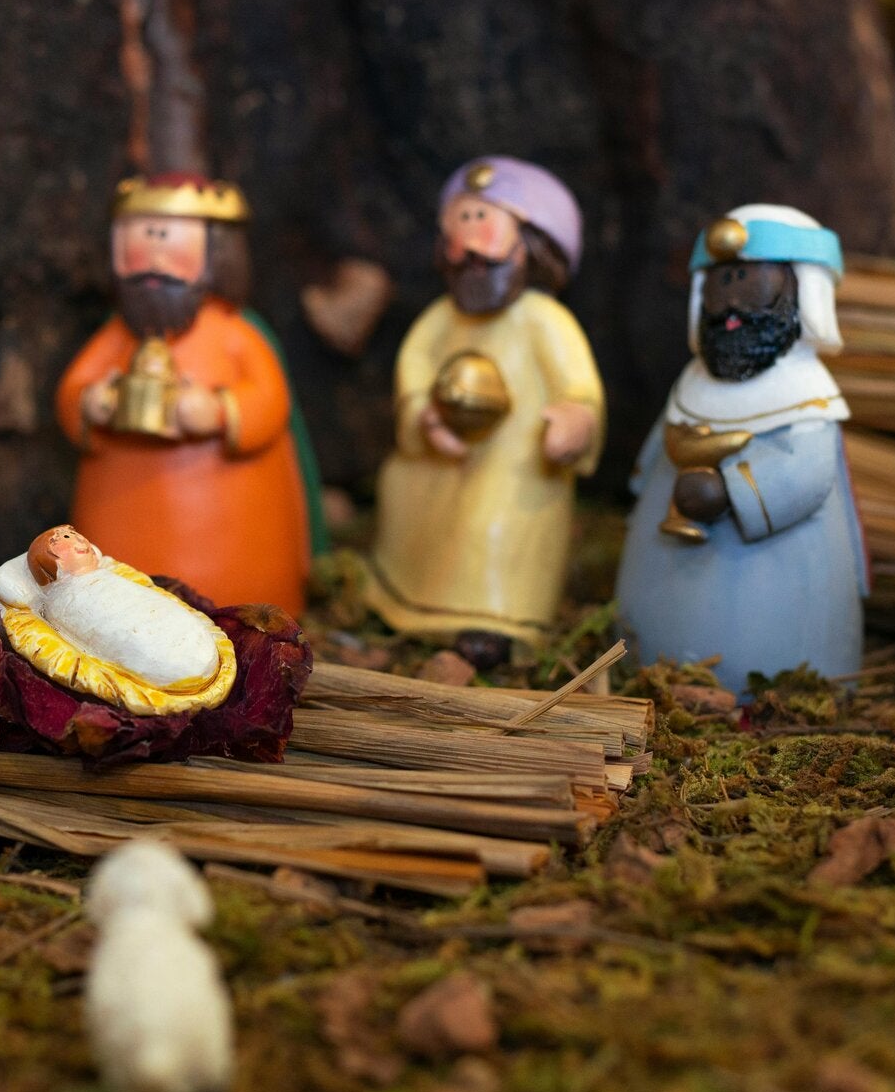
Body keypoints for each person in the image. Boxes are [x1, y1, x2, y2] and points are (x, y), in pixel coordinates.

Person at [613, 203, 867, 691]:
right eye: (721, 281)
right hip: (665, 559)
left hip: (773, 579)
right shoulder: (692, 384)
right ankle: (644, 662)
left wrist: (731, 492)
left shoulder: (804, 396)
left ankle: (769, 691)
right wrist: (647, 483)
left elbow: (806, 473)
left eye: (751, 281)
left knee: (764, 648)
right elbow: (661, 446)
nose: (731, 302)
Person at [365, 157, 605, 646]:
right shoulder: (441, 318)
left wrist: (576, 419)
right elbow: (415, 366)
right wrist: (425, 418)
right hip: (442, 454)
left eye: (484, 220)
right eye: (463, 221)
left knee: (493, 525)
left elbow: (578, 385)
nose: (472, 247)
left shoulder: (543, 320)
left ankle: (494, 622)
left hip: (514, 462)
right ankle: (401, 600)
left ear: (531, 246)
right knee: (406, 495)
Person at [55, 173, 320, 615]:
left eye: (167, 237)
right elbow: (71, 392)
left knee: (233, 611)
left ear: (217, 252)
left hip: (228, 530)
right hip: (120, 519)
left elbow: (271, 403)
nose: (153, 256)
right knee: (120, 608)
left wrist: (221, 411)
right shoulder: (116, 336)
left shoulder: (235, 335)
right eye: (139, 237)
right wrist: (88, 403)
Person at [0, 525, 236, 716]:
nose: (79, 540)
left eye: (75, 534)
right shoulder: (57, 602)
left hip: (182, 637)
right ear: (49, 562)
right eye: (65, 539)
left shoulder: (112, 575)